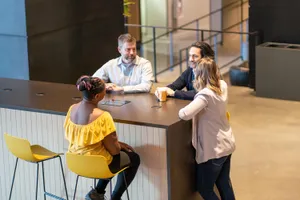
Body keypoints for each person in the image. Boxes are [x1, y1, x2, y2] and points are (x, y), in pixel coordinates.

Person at [64, 75, 140, 200]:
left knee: (106, 153)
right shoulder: (103, 116)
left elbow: (86, 139)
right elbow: (114, 150)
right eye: (105, 91)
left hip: (75, 161)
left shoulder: (72, 109)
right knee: (133, 158)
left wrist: (118, 144)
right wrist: (120, 145)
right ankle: (115, 198)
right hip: (98, 164)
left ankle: (97, 193)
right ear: (97, 96)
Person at [178, 58, 235, 200]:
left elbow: (184, 114)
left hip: (214, 149)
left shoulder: (205, 95)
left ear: (200, 75)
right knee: (223, 183)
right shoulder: (222, 86)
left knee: (205, 189)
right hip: (226, 144)